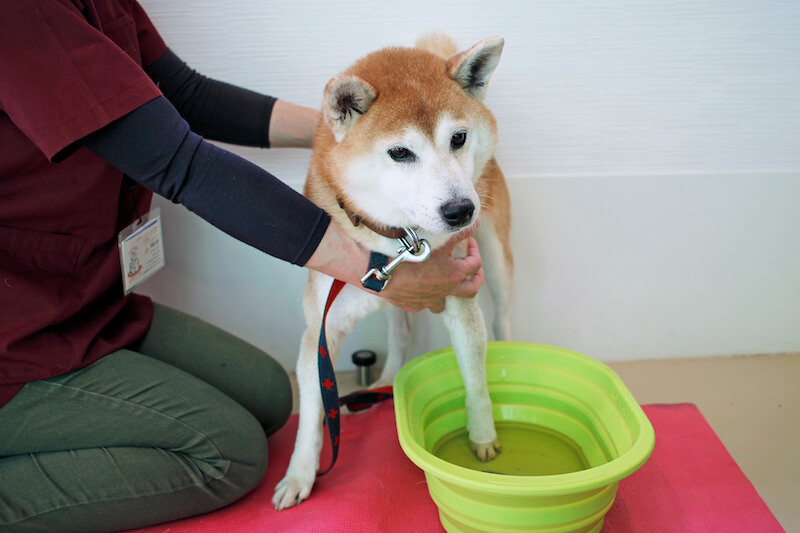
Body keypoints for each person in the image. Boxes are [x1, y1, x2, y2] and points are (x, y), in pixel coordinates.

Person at [0, 1, 484, 532]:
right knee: (231, 456)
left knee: (272, 397)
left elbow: (183, 96)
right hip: (17, 330)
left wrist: (359, 129)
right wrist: (379, 273)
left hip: (84, 301)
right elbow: (181, 164)